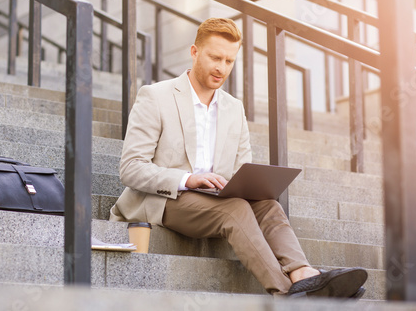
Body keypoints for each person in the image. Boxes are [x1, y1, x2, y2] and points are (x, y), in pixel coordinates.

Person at [109, 17, 367, 297]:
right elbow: (131, 168)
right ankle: (286, 295)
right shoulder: (156, 96)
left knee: (268, 204)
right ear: (195, 52)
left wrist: (251, 184)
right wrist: (188, 179)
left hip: (214, 199)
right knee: (236, 210)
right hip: (165, 200)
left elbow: (241, 169)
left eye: (230, 61)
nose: (222, 68)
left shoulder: (233, 108)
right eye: (215, 57)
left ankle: (304, 274)